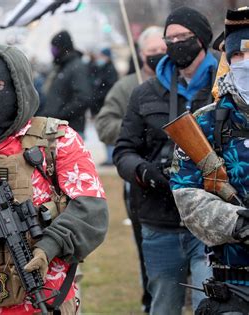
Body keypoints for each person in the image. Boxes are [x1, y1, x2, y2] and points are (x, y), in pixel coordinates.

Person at [0, 43, 108, 314]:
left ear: (18, 88)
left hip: (44, 298)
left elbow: (91, 211)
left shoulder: (58, 141)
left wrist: (49, 246)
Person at [113, 6, 217, 315]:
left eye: (183, 37)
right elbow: (123, 151)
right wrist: (144, 172)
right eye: (169, 38)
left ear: (201, 39)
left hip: (211, 222)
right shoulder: (145, 93)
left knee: (209, 305)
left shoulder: (222, 89)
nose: (175, 45)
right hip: (159, 221)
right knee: (163, 306)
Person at [170, 7, 249, 314]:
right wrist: (238, 223)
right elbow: (186, 195)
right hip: (234, 284)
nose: (244, 64)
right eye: (237, 57)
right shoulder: (203, 125)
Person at [95, 25, 167, 313]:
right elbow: (104, 124)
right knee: (147, 242)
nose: (159, 57)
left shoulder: (184, 83)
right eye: (153, 53)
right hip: (139, 179)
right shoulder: (127, 87)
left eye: (163, 51)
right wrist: (134, 131)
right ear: (141, 55)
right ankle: (151, 295)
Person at [36, 30, 92, 137]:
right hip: (57, 128)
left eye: (54, 48)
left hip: (70, 129)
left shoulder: (76, 67)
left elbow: (83, 98)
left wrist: (60, 114)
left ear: (62, 47)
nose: (52, 51)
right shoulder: (62, 66)